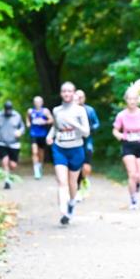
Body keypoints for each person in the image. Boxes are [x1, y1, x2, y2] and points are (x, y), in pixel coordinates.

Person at [46, 82, 91, 225]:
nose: (66, 94)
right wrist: (50, 135)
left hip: (76, 148)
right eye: (64, 91)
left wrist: (74, 123)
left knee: (73, 182)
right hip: (59, 148)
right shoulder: (56, 110)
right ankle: (64, 211)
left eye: (69, 91)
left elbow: (86, 132)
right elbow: (55, 126)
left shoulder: (80, 110)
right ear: (61, 93)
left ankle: (71, 203)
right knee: (61, 181)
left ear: (73, 93)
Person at [112, 80, 140, 210]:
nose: (132, 101)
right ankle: (133, 199)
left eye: (134, 99)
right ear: (126, 100)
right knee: (132, 174)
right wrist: (120, 136)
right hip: (128, 145)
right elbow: (115, 130)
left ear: (138, 100)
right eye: (129, 99)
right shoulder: (121, 115)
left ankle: (138, 185)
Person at [74, 89, 101, 198]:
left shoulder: (90, 110)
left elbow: (97, 123)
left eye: (81, 97)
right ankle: (77, 189)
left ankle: (84, 179)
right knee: (76, 166)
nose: (79, 99)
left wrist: (90, 129)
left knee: (86, 166)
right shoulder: (70, 111)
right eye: (78, 97)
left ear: (84, 98)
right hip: (75, 142)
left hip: (87, 142)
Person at [0, 100, 25, 189]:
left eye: (9, 109)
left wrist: (20, 132)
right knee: (5, 161)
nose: (8, 111)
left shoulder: (17, 116)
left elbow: (22, 127)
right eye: (7, 110)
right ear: (4, 109)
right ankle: (7, 180)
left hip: (14, 143)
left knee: (13, 165)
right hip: (1, 142)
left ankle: (9, 174)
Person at [26, 96, 54, 179]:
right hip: (33, 134)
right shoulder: (30, 111)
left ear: (42, 103)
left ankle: (40, 166)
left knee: (41, 153)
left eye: (39, 102)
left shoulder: (45, 111)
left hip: (42, 134)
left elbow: (52, 120)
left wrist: (44, 122)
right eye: (35, 102)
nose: (37, 103)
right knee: (34, 152)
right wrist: (28, 123)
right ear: (34, 103)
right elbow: (27, 119)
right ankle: (36, 171)